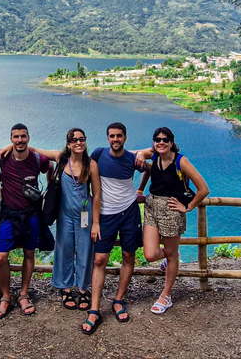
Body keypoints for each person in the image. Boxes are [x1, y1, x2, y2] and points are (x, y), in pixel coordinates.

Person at [24, 128, 100, 311]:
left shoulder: (91, 165)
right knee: (64, 250)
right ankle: (65, 288)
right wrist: (14, 146)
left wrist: (96, 223)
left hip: (85, 215)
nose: (78, 142)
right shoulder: (61, 159)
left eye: (82, 139)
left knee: (84, 251)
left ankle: (83, 289)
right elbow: (36, 150)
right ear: (68, 144)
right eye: (74, 140)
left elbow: (97, 195)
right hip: (64, 214)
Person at [137, 126, 209, 314]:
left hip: (171, 210)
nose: (161, 142)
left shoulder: (181, 161)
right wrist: (140, 190)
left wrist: (188, 207)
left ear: (171, 142)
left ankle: (166, 295)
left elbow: (203, 189)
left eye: (165, 139)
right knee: (150, 255)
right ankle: (174, 256)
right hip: (152, 206)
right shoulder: (154, 157)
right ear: (154, 142)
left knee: (168, 252)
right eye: (157, 139)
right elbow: (148, 170)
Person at [82, 122, 146, 335]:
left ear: (125, 138)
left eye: (119, 136)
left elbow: (156, 164)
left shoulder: (132, 158)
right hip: (106, 215)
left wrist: (141, 188)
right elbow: (79, 165)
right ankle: (94, 309)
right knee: (100, 260)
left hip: (129, 212)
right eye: (112, 136)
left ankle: (118, 300)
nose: (115, 139)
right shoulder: (98, 155)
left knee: (128, 255)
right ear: (107, 138)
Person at [0, 123, 53, 318]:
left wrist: (50, 188)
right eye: (15, 137)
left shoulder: (36, 159)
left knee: (29, 253)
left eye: (23, 136)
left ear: (28, 138)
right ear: (11, 139)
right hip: (9, 214)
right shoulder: (3, 157)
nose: (19, 140)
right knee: (0, 257)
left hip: (31, 214)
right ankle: (6, 296)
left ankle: (24, 294)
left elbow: (50, 165)